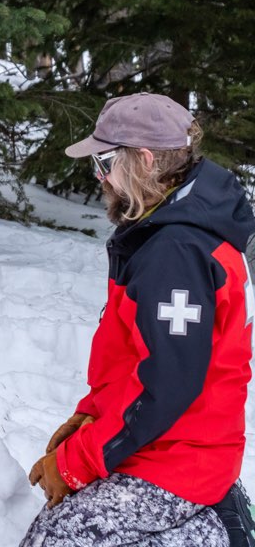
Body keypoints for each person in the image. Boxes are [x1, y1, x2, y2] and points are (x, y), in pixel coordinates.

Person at [21, 92, 255, 546]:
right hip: (165, 444)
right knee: (57, 528)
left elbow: (166, 386)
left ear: (145, 161)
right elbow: (135, 357)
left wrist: (78, 462)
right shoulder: (162, 230)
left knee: (59, 539)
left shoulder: (177, 252)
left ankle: (214, 532)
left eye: (105, 163)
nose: (99, 178)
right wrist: (91, 416)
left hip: (182, 458)